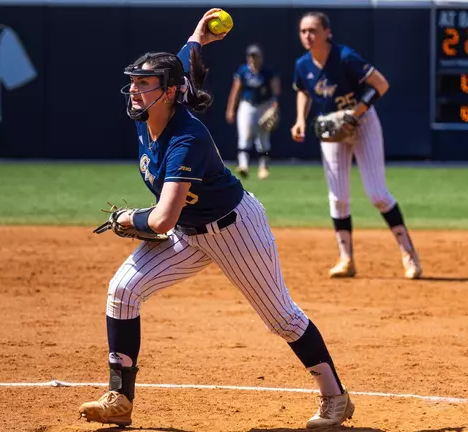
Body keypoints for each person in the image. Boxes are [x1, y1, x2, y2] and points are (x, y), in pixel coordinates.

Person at [78, 9, 355, 430]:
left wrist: (130, 217)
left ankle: (336, 398)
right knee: (123, 290)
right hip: (189, 233)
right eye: (133, 82)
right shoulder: (156, 104)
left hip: (234, 229)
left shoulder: (186, 138)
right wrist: (198, 35)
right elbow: (183, 57)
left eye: (144, 83)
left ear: (169, 92)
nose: (135, 90)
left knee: (281, 318)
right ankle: (121, 398)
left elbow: (162, 218)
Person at [290, 11, 422, 279]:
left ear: (327, 32)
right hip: (331, 129)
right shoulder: (302, 64)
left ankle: (409, 254)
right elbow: (303, 90)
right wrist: (300, 120)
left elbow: (381, 85)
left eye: (313, 30)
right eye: (303, 31)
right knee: (338, 198)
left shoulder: (345, 57)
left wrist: (356, 113)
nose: (307, 35)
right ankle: (346, 259)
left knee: (378, 194)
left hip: (363, 124)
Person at [226, 44, 280, 180]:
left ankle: (263, 167)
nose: (253, 59)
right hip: (247, 105)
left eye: (255, 56)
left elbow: (275, 90)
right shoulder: (243, 71)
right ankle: (243, 165)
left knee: (263, 138)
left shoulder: (267, 72)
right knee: (245, 136)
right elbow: (235, 91)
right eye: (251, 56)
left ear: (261, 57)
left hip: (264, 105)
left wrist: (274, 106)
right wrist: (231, 109)